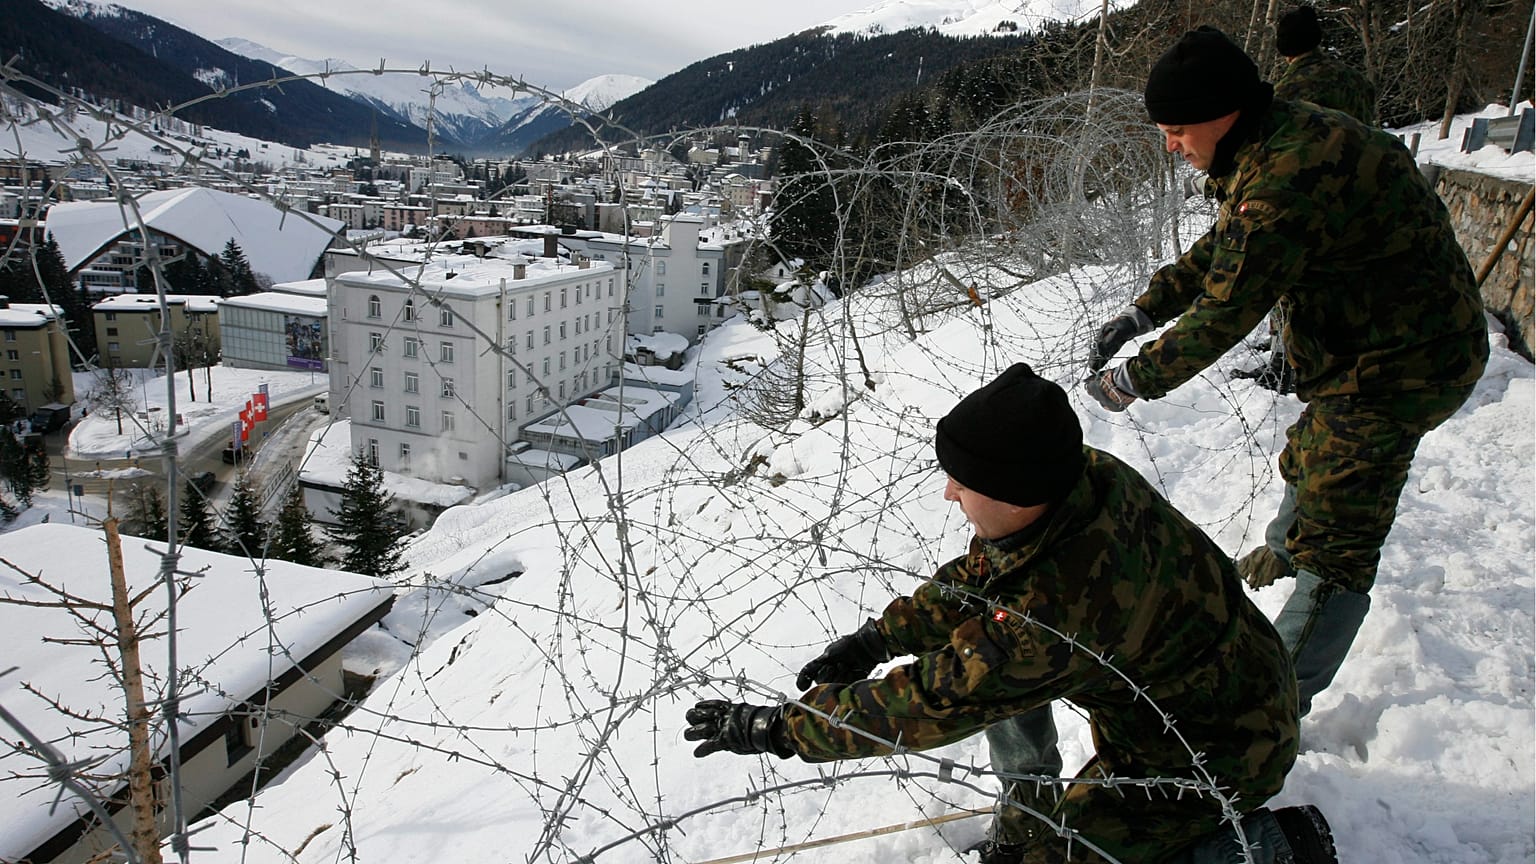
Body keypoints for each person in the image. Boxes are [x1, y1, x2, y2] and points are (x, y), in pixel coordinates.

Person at [686, 364, 1335, 864]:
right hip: (1225, 684)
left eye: (964, 481)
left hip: (1215, 752)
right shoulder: (1079, 482)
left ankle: (1275, 845)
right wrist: (878, 637)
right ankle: (1031, 816)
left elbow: (928, 704)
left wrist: (780, 729)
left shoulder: (1058, 609)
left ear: (1018, 493)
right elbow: (981, 584)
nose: (949, 492)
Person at [1084, 27, 1488, 718]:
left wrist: (1131, 381)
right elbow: (1222, 247)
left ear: (1222, 112)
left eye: (1177, 129)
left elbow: (1226, 309)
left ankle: (1263, 712)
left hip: (1405, 366)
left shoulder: (1287, 175)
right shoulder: (1275, 140)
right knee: (1311, 458)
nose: (1170, 145)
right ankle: (1281, 558)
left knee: (1339, 546)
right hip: (1366, 353)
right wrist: (1141, 311)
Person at [1232, 4, 1381, 391]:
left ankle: (1287, 360)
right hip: (1364, 193)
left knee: (1291, 279)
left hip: (1310, 193)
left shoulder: (1291, 88)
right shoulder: (1355, 80)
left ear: (1284, 47)